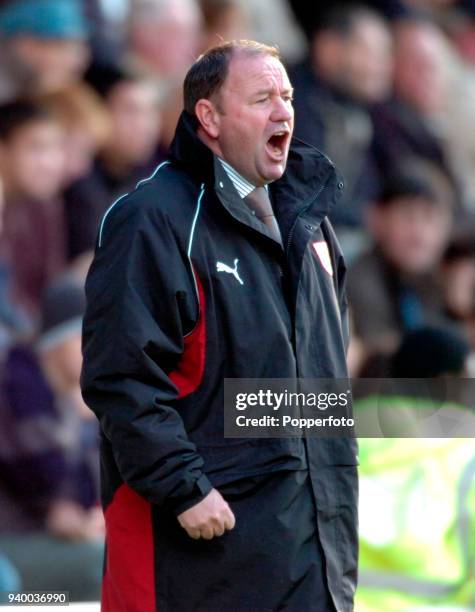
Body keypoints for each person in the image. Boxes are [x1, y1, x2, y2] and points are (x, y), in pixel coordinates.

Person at [81, 40, 358, 611]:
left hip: (313, 556)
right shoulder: (153, 219)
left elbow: (316, 388)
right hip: (201, 556)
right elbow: (120, 378)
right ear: (209, 117)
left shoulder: (311, 222)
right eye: (261, 99)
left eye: (287, 96)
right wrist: (185, 487)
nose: (283, 112)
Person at [0, 277, 103, 601]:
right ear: (60, 341)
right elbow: (53, 492)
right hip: (13, 544)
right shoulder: (20, 384)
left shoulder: (66, 396)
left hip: (44, 538)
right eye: (83, 338)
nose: (93, 349)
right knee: (101, 565)